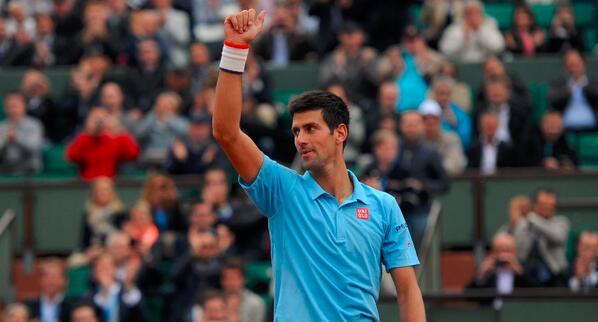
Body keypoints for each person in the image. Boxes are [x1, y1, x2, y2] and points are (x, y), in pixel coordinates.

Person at [212, 9, 425, 322]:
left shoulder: (383, 205)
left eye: (311, 129)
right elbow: (226, 132)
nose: (300, 139)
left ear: (340, 133)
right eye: (296, 131)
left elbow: (407, 290)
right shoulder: (282, 190)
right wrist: (234, 49)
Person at [513, 188, 570, 287]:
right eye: (544, 204)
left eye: (551, 205)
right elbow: (518, 246)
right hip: (527, 275)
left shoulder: (561, 221)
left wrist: (532, 218)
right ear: (535, 205)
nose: (548, 207)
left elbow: (558, 237)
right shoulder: (524, 223)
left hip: (555, 274)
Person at [66, 107, 140, 180]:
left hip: (109, 182)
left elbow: (133, 154)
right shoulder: (85, 139)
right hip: (86, 182)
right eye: (94, 118)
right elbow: (71, 156)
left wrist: (118, 130)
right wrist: (87, 132)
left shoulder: (114, 139)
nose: (98, 122)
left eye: (102, 119)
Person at [467, 233, 535, 309]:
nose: (504, 255)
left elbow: (538, 292)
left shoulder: (525, 267)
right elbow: (468, 295)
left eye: (508, 250)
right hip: (491, 314)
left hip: (519, 313)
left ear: (515, 251)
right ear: (493, 252)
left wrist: (519, 272)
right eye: (500, 250)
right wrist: (481, 275)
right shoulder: (488, 270)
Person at [547, 49, 598, 132]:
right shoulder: (558, 84)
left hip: (593, 127)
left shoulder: (593, 83)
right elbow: (553, 100)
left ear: (584, 64)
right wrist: (571, 88)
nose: (574, 68)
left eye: (576, 64)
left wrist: (583, 85)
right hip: (564, 129)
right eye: (570, 65)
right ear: (564, 67)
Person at [439, 0, 504, 63]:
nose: (473, 17)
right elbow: (445, 51)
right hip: (461, 65)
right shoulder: (455, 27)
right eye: (469, 13)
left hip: (485, 65)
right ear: (464, 14)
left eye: (476, 13)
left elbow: (498, 47)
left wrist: (480, 30)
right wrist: (463, 37)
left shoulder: (489, 25)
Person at [0, 90, 44, 174]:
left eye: (15, 106)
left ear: (24, 106)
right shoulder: (1, 127)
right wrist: (5, 141)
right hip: (6, 170)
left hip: (29, 171)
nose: (12, 110)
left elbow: (34, 149)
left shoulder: (34, 125)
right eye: (8, 107)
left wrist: (16, 139)